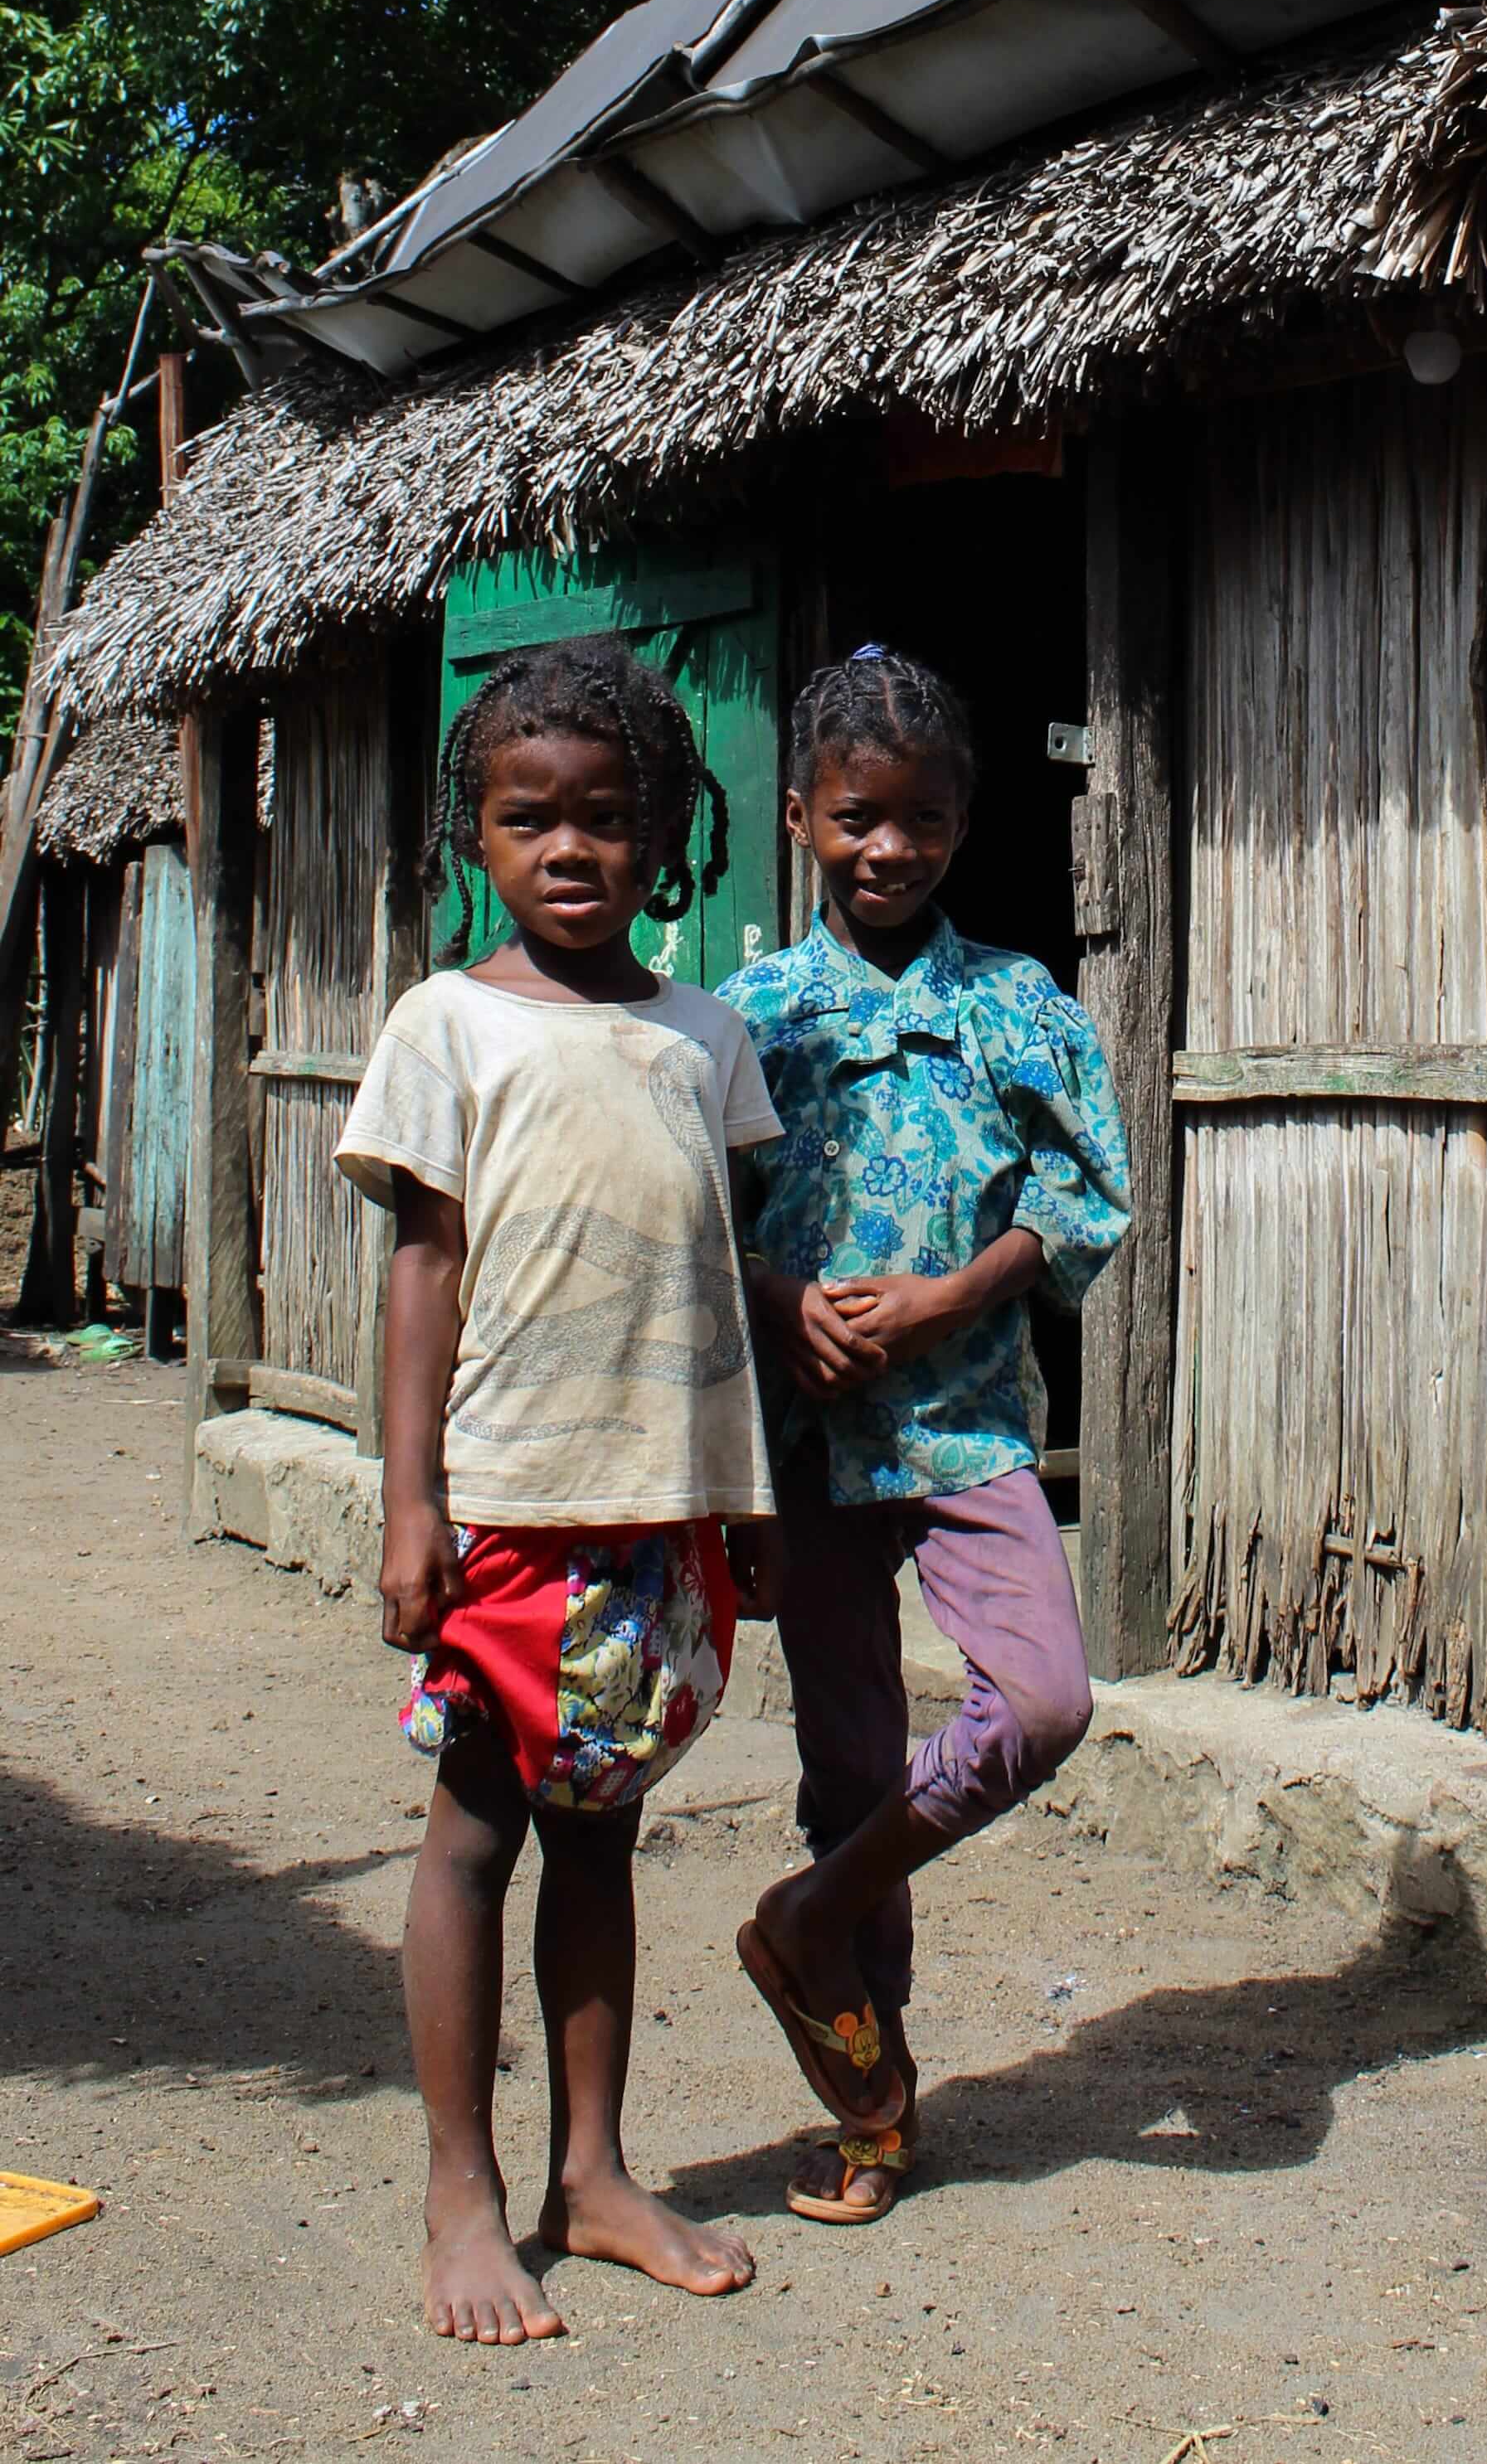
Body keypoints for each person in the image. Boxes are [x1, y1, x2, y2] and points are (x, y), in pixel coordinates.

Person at [337, 633, 785, 2350]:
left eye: (607, 818)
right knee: (473, 1836)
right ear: (477, 838)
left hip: (657, 1506)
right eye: (532, 821)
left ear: (663, 831)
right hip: (511, 1501)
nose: (572, 851)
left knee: (605, 1835)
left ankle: (590, 2174)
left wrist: (741, 1501)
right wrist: (410, 1502)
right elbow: (423, 1273)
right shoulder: (446, 1024)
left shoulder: (703, 1037)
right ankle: (463, 2191)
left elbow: (720, 1261)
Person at [722, 643, 1129, 2226]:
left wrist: (955, 1294)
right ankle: (874, 2112)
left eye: (925, 823)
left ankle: (810, 1912)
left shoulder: (1017, 1005)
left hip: (967, 1434)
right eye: (857, 819)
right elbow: (705, 1219)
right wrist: (786, 1306)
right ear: (806, 817)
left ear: (964, 824)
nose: (890, 849)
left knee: (1041, 1701)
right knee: (847, 1761)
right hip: (813, 1453)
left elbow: (1084, 1199)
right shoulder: (749, 1017)